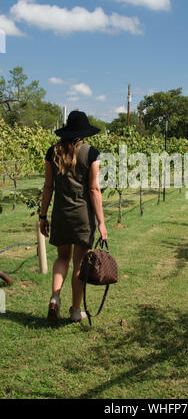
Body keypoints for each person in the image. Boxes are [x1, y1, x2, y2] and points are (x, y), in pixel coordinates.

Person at [39, 110, 107, 323]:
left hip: (60, 212)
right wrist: (102, 223)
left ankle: (55, 297)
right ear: (84, 133)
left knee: (62, 257)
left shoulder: (53, 152)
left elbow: (48, 186)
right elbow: (94, 190)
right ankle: (76, 311)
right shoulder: (91, 153)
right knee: (79, 264)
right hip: (82, 216)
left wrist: (43, 215)